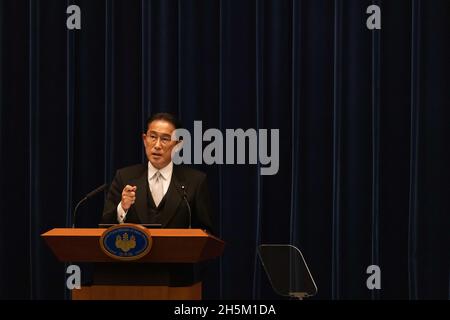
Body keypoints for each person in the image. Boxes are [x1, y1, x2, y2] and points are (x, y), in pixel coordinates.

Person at [101, 113, 214, 233]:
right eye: (153, 137)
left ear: (178, 145)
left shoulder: (195, 181)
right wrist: (122, 208)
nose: (157, 145)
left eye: (165, 139)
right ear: (145, 140)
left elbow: (206, 232)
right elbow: (104, 227)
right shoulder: (124, 177)